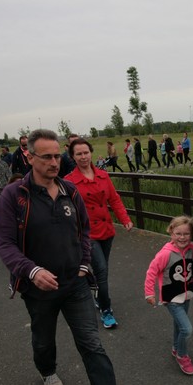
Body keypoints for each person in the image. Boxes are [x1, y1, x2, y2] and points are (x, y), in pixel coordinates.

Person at [0, 128, 134, 385]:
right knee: (44, 340)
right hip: (38, 288)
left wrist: (84, 264)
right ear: (30, 157)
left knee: (92, 344)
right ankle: (47, 370)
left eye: (57, 156)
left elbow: (84, 231)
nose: (54, 162)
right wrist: (31, 271)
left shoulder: (70, 191)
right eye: (47, 157)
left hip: (75, 284)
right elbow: (4, 243)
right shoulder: (14, 196)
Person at [65, 138, 134, 329]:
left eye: (86, 152)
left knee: (102, 269)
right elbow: (65, 210)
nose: (83, 157)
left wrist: (125, 219)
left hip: (107, 230)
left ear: (91, 153)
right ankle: (106, 310)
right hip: (87, 234)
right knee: (101, 271)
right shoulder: (69, 181)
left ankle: (97, 295)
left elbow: (114, 199)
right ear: (72, 157)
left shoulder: (103, 175)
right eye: (79, 153)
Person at [144, 216, 193, 376]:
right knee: (186, 329)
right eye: (178, 234)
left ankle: (176, 348)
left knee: (179, 325)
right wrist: (149, 293)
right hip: (171, 298)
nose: (182, 237)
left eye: (186, 234)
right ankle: (182, 356)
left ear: (191, 234)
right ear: (171, 233)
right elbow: (151, 272)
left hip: (186, 296)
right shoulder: (165, 254)